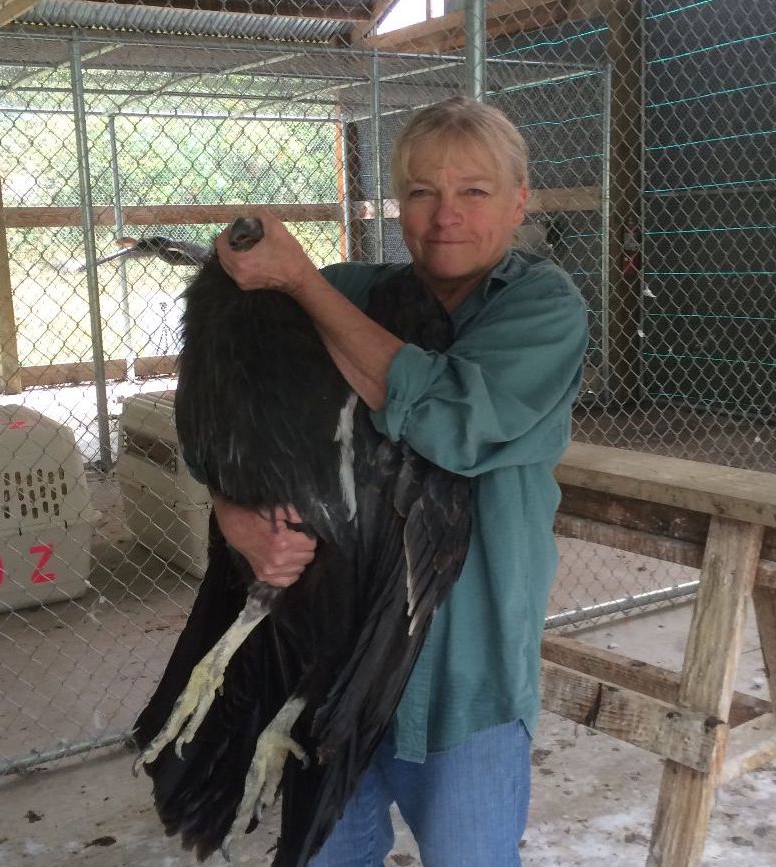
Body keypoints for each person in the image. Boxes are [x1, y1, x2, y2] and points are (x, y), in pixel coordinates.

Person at [210, 96, 588, 867]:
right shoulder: (354, 287)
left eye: (474, 191)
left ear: (519, 202)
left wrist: (304, 289)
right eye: (422, 192)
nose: (445, 215)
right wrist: (234, 514)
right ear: (398, 204)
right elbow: (229, 413)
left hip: (464, 674)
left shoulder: (542, 308)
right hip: (328, 658)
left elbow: (453, 417)